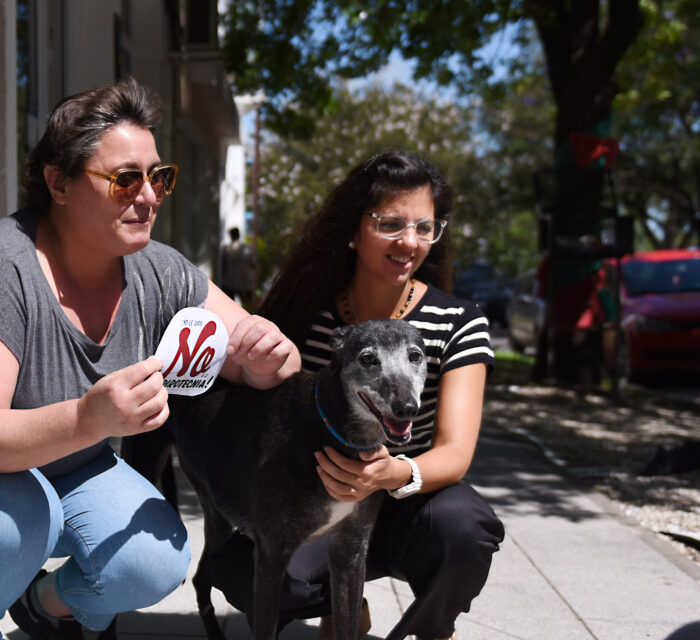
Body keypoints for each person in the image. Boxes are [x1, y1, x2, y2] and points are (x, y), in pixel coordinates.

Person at [0, 78, 300, 640]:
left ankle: (41, 602)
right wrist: (92, 419)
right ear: (58, 183)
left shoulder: (158, 269)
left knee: (152, 559)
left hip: (56, 470)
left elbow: (246, 351)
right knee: (12, 522)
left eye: (158, 177)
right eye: (124, 179)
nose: (150, 196)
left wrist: (269, 358)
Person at [207, 150, 504, 640]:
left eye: (425, 227)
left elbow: (455, 451)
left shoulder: (459, 322)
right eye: (390, 223)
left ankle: (432, 627)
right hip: (315, 505)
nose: (409, 241)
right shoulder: (307, 316)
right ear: (352, 231)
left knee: (464, 527)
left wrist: (392, 473)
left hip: (407, 503)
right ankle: (341, 602)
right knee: (244, 572)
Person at [219, 226, 258, 305]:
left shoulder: (226, 249)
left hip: (229, 284)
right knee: (249, 308)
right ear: (239, 235)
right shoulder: (247, 249)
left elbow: (222, 266)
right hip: (245, 283)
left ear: (231, 236)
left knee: (228, 307)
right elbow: (253, 264)